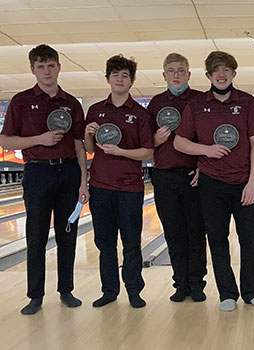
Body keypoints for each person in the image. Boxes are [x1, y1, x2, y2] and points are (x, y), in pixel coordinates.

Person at [174, 51, 254, 312]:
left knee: (251, 238)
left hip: (243, 183)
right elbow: (179, 141)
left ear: (234, 74)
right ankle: (227, 293)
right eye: (216, 71)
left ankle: (251, 291)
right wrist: (206, 150)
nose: (222, 74)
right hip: (212, 184)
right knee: (217, 238)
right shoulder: (196, 106)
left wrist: (252, 183)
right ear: (208, 75)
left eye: (227, 70)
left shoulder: (248, 103)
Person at [0, 44, 89, 315]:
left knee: (68, 234)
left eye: (51, 65)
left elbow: (78, 144)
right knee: (36, 235)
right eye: (41, 66)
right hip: (37, 172)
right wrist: (39, 139)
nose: (47, 70)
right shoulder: (20, 101)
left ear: (59, 67)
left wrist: (84, 181)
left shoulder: (72, 103)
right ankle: (35, 296)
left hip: (69, 172)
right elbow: (5, 139)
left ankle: (66, 290)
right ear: (32, 69)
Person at [84, 55, 154, 308]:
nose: (120, 79)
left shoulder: (140, 114)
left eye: (125, 75)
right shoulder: (95, 111)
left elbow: (148, 151)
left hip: (129, 188)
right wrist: (88, 134)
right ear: (108, 79)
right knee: (105, 243)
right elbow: (90, 149)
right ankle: (109, 291)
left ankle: (134, 290)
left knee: (131, 242)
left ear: (132, 81)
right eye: (115, 74)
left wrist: (121, 152)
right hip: (100, 186)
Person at [146, 53, 207, 302]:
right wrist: (155, 140)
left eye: (181, 70)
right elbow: (144, 143)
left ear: (189, 74)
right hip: (163, 176)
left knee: (196, 233)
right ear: (164, 75)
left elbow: (209, 138)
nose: (176, 75)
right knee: (173, 233)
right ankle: (180, 284)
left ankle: (197, 284)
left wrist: (203, 168)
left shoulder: (201, 99)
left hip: (193, 176)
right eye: (171, 71)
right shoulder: (156, 103)